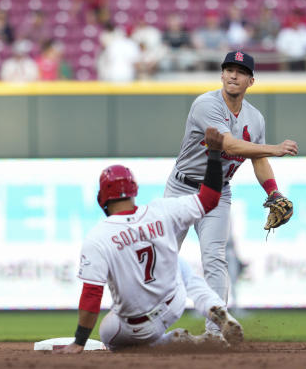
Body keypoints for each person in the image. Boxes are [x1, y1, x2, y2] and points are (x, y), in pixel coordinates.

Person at [55, 128, 244, 353]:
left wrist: (79, 341)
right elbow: (210, 199)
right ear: (134, 190)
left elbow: (92, 294)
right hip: (174, 305)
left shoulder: (98, 236)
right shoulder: (162, 210)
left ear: (103, 198)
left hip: (134, 326)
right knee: (182, 267)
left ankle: (165, 341)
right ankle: (216, 308)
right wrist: (213, 155)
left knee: (109, 337)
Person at [164, 51, 298, 339]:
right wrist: (274, 148)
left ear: (251, 80)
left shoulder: (255, 118)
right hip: (182, 188)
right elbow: (231, 145)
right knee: (163, 255)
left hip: (217, 191)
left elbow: (257, 159)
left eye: (240, 71)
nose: (233, 75)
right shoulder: (206, 104)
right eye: (228, 69)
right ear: (222, 75)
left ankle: (215, 332)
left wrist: (272, 190)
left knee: (215, 258)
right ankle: (146, 323)